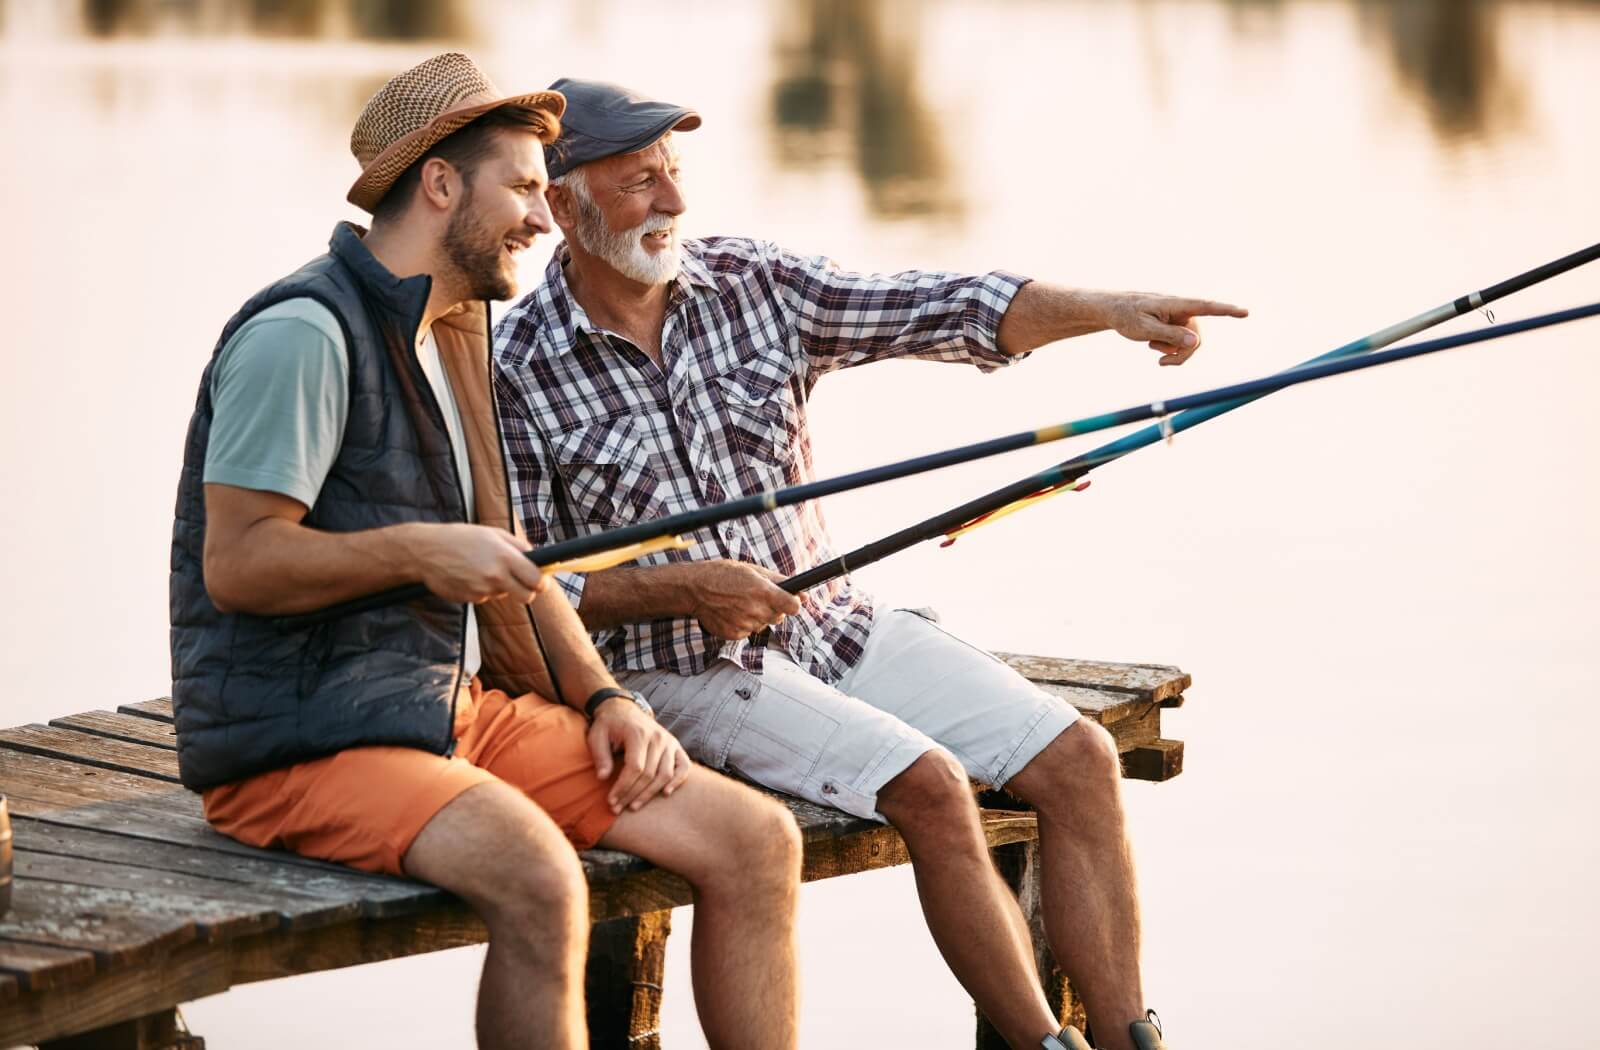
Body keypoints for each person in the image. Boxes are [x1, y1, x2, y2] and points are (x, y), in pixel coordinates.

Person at [493, 78, 1248, 1050]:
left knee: (1079, 759)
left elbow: (939, 306)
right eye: (640, 183)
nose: (673, 202)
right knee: (930, 785)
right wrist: (678, 587)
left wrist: (1109, 309)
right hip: (677, 676)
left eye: (674, 175)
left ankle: (1126, 1036)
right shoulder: (509, 365)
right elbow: (521, 589)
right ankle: (1039, 1043)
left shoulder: (753, 282)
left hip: (833, 626)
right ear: (561, 204)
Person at [169, 55, 800, 1050]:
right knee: (541, 877)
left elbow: (511, 561)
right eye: (520, 186)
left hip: (441, 711)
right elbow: (240, 565)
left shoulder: (457, 330)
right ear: (439, 184)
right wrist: (422, 550)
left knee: (755, 840)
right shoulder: (301, 334)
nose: (544, 220)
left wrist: (605, 701)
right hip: (300, 743)